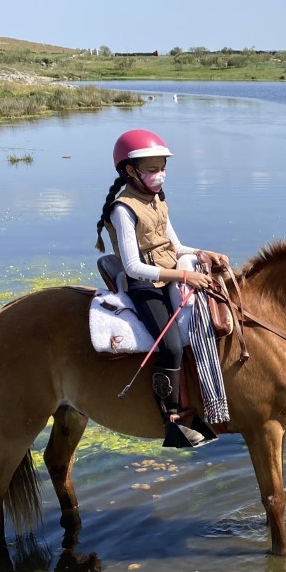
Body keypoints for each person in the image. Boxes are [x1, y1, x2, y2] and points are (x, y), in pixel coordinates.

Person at [94, 129, 229, 448]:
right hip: (143, 285)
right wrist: (184, 277)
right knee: (169, 345)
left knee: (195, 324)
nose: (159, 176)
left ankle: (211, 399)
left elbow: (176, 246)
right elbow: (132, 267)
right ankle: (172, 418)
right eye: (152, 169)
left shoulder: (157, 200)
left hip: (169, 275)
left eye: (161, 168)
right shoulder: (122, 209)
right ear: (130, 170)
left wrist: (203, 253)